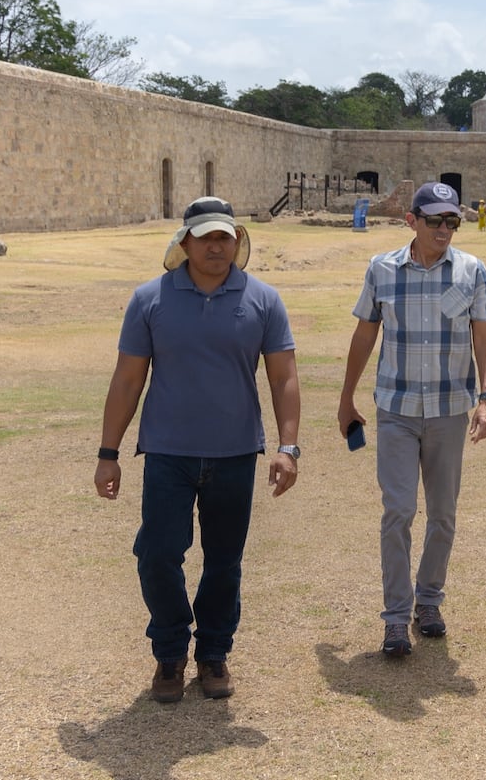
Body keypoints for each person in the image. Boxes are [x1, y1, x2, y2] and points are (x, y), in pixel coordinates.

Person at [93, 195, 301, 703]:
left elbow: (284, 377)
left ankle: (213, 653)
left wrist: (288, 446)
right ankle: (169, 651)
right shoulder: (150, 299)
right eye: (205, 236)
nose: (216, 245)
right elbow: (127, 381)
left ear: (237, 241)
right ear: (183, 242)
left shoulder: (263, 300)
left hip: (234, 453)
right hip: (168, 452)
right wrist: (108, 452)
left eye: (225, 236)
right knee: (157, 555)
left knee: (224, 561)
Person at [338, 181, 486, 658]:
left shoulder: (472, 270)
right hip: (397, 410)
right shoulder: (382, 270)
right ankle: (394, 616)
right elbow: (365, 334)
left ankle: (429, 601)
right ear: (412, 221)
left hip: (450, 409)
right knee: (399, 510)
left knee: (443, 515)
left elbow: (485, 338)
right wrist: (346, 398)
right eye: (435, 221)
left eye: (452, 221)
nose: (445, 229)